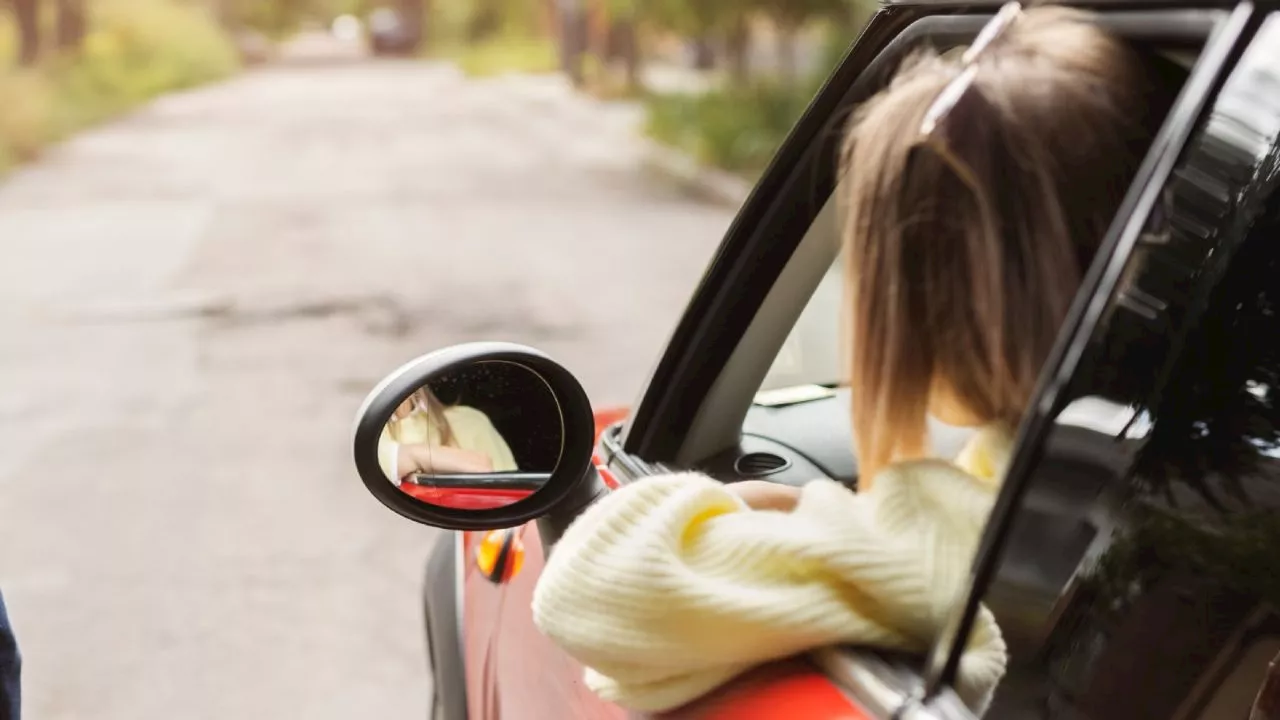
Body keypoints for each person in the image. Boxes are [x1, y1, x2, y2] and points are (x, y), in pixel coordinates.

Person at [531, 4, 1180, 715]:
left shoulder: (937, 539)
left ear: (922, 307)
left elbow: (585, 590)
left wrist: (768, 501)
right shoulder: (1168, 487)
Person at [377, 386, 517, 486]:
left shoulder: (469, 422)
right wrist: (416, 455)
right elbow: (372, 467)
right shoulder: (372, 432)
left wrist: (417, 458)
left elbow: (512, 493)